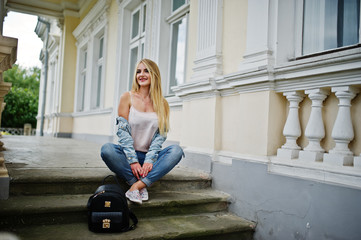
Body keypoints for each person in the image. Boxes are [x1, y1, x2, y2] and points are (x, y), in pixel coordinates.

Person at [100, 58, 184, 204]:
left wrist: (149, 160)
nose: (141, 74)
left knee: (176, 151)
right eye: (138, 71)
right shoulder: (127, 97)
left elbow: (160, 136)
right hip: (128, 155)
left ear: (154, 75)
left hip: (150, 158)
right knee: (107, 149)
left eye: (146, 71)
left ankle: (137, 185)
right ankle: (140, 183)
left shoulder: (162, 103)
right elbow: (123, 133)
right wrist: (132, 161)